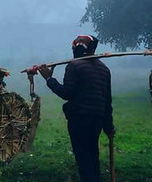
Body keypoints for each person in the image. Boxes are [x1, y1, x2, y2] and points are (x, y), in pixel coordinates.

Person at [37, 35, 114, 182]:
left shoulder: (74, 65)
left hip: (79, 120)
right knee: (92, 155)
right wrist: (108, 127)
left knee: (83, 158)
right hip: (96, 120)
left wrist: (48, 78)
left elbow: (66, 93)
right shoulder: (104, 69)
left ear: (76, 48)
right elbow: (106, 102)